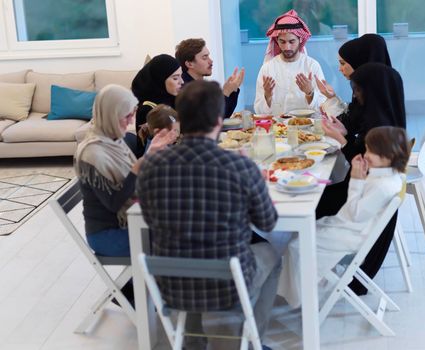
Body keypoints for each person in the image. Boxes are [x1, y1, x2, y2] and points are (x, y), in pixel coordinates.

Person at [137, 80, 281, 350]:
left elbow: (149, 217)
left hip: (171, 284)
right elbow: (268, 223)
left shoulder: (152, 165)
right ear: (219, 120)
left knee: (186, 249)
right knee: (272, 254)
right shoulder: (239, 166)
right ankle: (252, 341)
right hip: (227, 284)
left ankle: (193, 342)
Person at [280, 126, 410, 307]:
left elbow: (355, 213)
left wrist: (357, 179)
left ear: (388, 155)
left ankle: (302, 297)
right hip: (349, 228)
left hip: (351, 235)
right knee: (298, 239)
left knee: (297, 244)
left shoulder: (382, 186)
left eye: (371, 151)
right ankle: (302, 290)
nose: (366, 154)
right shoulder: (388, 177)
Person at [74, 85, 177, 303]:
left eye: (132, 114)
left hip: (128, 223)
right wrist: (136, 170)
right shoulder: (92, 152)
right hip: (107, 234)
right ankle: (138, 294)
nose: (131, 121)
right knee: (176, 238)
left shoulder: (113, 141)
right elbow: (113, 202)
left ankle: (140, 291)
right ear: (111, 115)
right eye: (127, 116)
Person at [318, 62, 407, 295]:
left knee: (307, 203)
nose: (356, 96)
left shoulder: (381, 126)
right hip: (359, 192)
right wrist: (346, 134)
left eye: (358, 91)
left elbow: (363, 164)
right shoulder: (383, 115)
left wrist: (341, 140)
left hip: (359, 200)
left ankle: (304, 264)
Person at [254, 9, 326, 115]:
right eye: (282, 42)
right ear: (277, 41)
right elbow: (259, 111)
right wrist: (267, 96)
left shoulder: (312, 66)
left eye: (292, 41)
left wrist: (310, 93)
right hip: (277, 129)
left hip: (307, 129)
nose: (287, 47)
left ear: (300, 39)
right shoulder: (267, 68)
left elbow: (324, 108)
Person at [317, 33, 392, 119]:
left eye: (343, 63)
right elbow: (351, 117)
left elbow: (348, 127)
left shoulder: (373, 95)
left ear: (358, 62)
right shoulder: (364, 87)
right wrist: (331, 97)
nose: (340, 69)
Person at [175, 38, 244, 118]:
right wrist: (226, 92)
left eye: (208, 56)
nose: (211, 61)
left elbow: (225, 115)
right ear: (190, 64)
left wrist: (233, 89)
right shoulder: (185, 89)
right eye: (204, 57)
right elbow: (212, 120)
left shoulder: (202, 86)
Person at [131, 54, 183, 157]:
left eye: (181, 76)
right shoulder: (148, 109)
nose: (182, 82)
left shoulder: (172, 99)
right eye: (175, 78)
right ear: (160, 79)